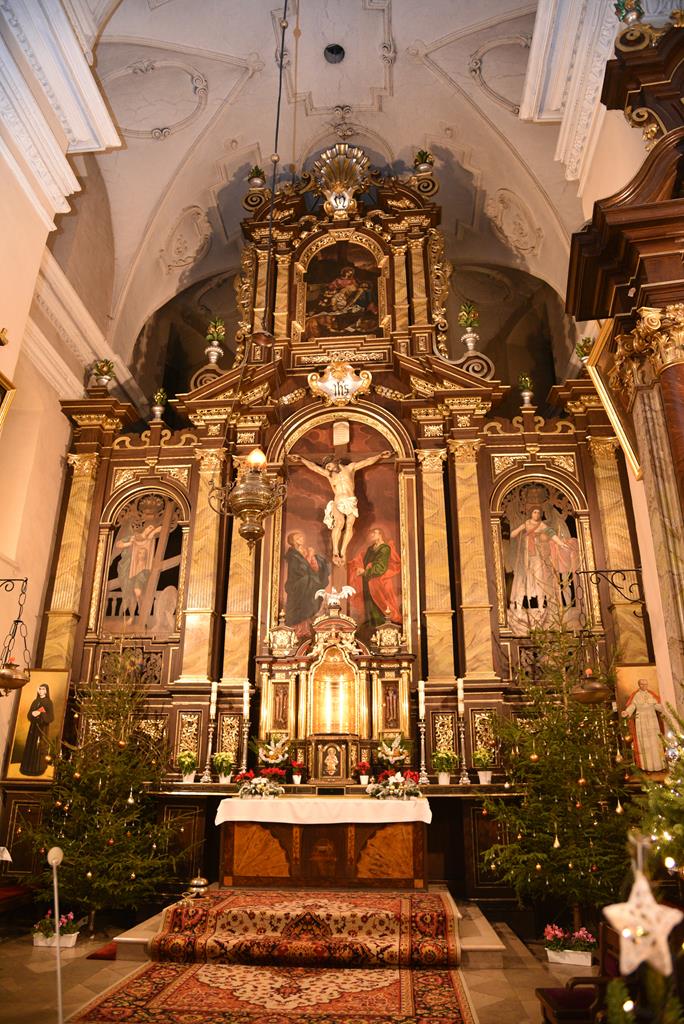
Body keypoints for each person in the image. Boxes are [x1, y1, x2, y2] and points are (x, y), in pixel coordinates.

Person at [291, 450, 392, 564]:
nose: (329, 469)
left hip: (350, 501)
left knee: (349, 525)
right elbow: (314, 467)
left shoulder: (350, 468)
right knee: (339, 523)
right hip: (338, 501)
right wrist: (301, 459)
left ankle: (343, 551)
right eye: (327, 468)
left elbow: (367, 462)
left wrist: (380, 456)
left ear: (335, 462)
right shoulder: (329, 475)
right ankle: (335, 551)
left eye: (329, 466)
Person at [509, 506, 577, 611]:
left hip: (537, 556)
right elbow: (513, 534)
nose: (536, 514)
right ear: (531, 513)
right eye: (534, 512)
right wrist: (518, 531)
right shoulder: (526, 523)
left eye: (538, 512)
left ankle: (540, 606)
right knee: (522, 579)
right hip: (526, 556)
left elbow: (552, 535)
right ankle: (518, 605)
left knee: (539, 578)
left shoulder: (542, 525)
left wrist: (561, 543)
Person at [351, 526, 401, 629]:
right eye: (371, 533)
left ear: (380, 534)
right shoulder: (370, 549)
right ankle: (372, 631)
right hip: (368, 582)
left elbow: (380, 568)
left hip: (378, 584)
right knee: (369, 609)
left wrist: (365, 571)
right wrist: (360, 568)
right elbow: (364, 563)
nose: (371, 535)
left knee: (380, 607)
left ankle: (382, 632)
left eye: (374, 533)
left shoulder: (385, 548)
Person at [283, 530, 330, 636]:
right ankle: (298, 630)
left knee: (311, 594)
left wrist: (314, 558)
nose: (301, 539)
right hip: (298, 585)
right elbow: (301, 569)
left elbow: (313, 568)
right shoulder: (292, 555)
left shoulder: (304, 550)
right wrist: (309, 556)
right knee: (301, 606)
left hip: (307, 584)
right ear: (293, 541)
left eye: (301, 537)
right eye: (298, 538)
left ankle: (306, 628)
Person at [621, 677, 666, 771]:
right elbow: (632, 706)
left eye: (646, 684)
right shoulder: (636, 696)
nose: (644, 686)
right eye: (642, 684)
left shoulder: (651, 695)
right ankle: (647, 767)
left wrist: (664, 708)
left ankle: (660, 766)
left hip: (652, 720)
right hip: (641, 720)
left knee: (656, 741)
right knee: (645, 744)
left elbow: (657, 706)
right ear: (639, 685)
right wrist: (627, 712)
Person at [20, 682, 54, 776]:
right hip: (33, 728)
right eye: (40, 689)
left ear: (46, 691)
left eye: (43, 689)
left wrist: (41, 713)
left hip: (42, 729)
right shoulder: (35, 701)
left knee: (39, 747)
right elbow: (29, 714)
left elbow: (51, 717)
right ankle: (27, 768)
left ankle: (39, 769)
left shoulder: (48, 702)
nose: (41, 691)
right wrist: (32, 714)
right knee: (31, 746)